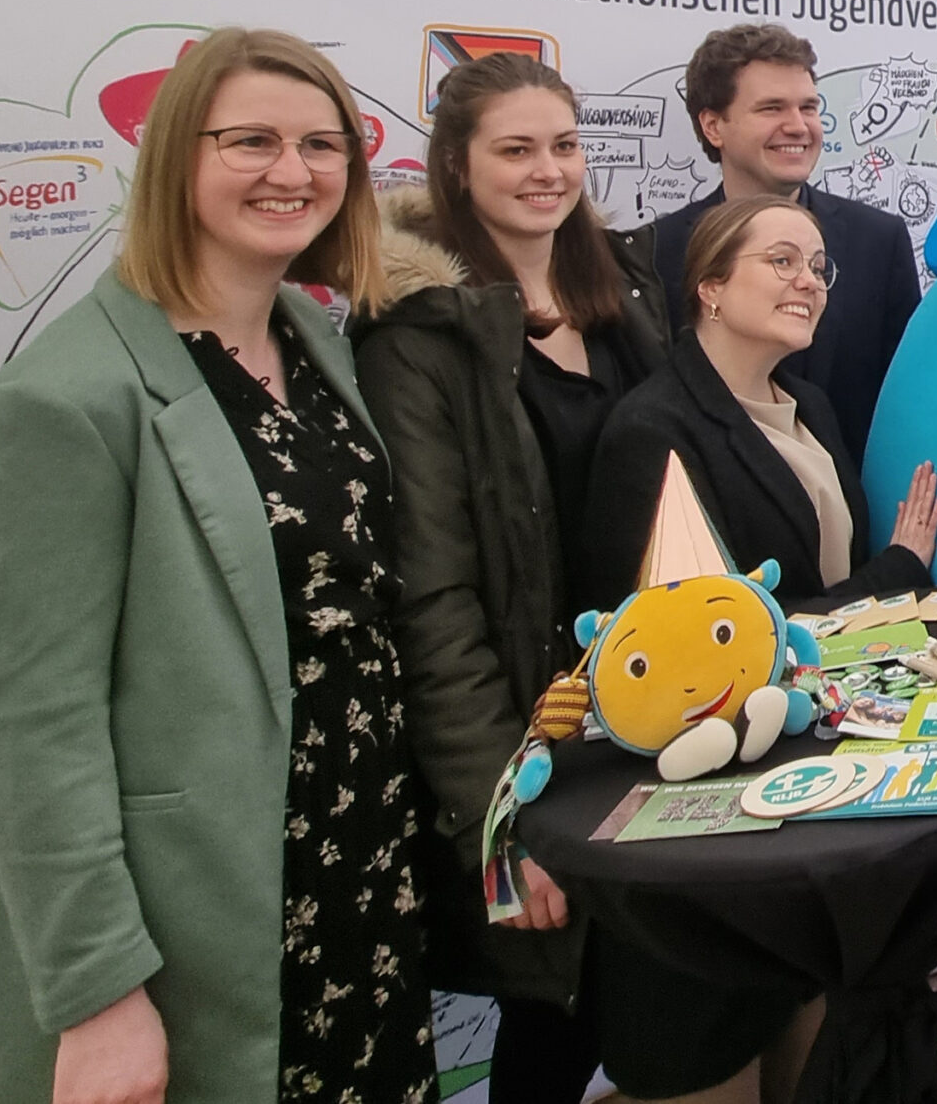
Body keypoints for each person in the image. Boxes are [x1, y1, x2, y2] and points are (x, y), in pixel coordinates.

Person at [0, 28, 435, 1103]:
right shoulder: (62, 403)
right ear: (177, 154)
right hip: (204, 926)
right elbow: (30, 727)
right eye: (252, 140)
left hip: (354, 872)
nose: (294, 170)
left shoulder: (313, 341)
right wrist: (97, 994)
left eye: (325, 144)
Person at [575, 194, 937, 1102]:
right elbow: (708, 657)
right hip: (708, 849)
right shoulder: (653, 433)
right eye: (781, 260)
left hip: (807, 806)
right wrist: (894, 571)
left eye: (819, 266)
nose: (808, 281)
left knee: (811, 1060)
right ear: (707, 285)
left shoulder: (807, 403)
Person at [353, 53, 670, 1103]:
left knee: (666, 1001)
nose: (548, 170)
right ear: (455, 162)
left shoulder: (625, 289)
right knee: (554, 1023)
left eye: (565, 145)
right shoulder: (421, 335)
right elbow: (434, 603)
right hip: (547, 741)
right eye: (517, 149)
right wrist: (504, 819)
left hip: (670, 713)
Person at [646, 23, 919, 455]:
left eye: (808, 107)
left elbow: (906, 403)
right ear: (714, 126)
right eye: (772, 108)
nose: (798, 126)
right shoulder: (656, 252)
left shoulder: (878, 242)